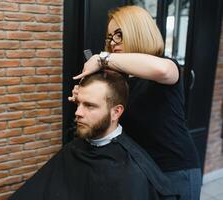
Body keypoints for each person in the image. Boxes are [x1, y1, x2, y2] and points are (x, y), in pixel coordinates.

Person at [70, 5, 201, 200]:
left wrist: (102, 58)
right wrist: (86, 100)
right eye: (110, 37)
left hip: (175, 169)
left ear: (138, 31)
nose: (113, 42)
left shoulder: (166, 66)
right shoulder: (122, 82)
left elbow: (162, 70)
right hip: (142, 170)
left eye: (119, 35)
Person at [9, 70, 177, 200]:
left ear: (116, 112)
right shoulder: (73, 151)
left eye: (89, 106)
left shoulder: (135, 171)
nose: (78, 112)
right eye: (78, 103)